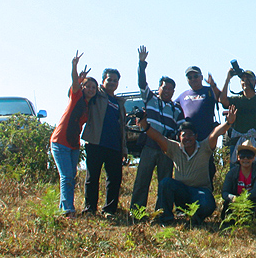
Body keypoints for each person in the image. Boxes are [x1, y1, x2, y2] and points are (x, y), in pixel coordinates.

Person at [139, 107, 237, 225]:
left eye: (190, 135)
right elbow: (158, 138)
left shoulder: (204, 147)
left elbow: (215, 133)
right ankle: (166, 219)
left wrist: (228, 123)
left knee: (207, 204)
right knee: (165, 183)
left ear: (196, 136)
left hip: (200, 192)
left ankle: (195, 218)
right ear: (179, 137)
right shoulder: (174, 148)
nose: (187, 138)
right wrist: (145, 125)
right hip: (181, 192)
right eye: (184, 135)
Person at [130, 45, 185, 215]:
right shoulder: (151, 99)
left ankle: (162, 212)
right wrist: (141, 64)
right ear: (158, 88)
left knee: (165, 181)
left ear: (173, 91)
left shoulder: (176, 108)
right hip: (149, 145)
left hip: (166, 149)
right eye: (164, 88)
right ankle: (137, 212)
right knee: (142, 180)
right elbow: (141, 83)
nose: (167, 91)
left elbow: (182, 127)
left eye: (170, 89)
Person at [50, 51, 98, 217]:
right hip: (60, 141)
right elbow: (74, 83)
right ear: (83, 87)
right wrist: (74, 66)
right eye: (88, 86)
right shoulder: (76, 96)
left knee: (71, 176)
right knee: (66, 176)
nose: (91, 89)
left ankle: (63, 207)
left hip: (74, 144)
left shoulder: (89, 106)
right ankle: (68, 210)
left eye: (94, 87)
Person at [82, 67, 127, 217]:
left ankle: (109, 210)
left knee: (114, 180)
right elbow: (78, 92)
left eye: (115, 80)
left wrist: (124, 149)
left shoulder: (119, 103)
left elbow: (122, 128)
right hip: (96, 143)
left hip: (114, 146)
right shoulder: (96, 95)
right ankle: (90, 209)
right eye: (109, 80)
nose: (112, 83)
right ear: (103, 81)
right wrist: (79, 79)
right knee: (92, 178)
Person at [220, 65, 256, 164]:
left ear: (255, 82)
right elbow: (222, 100)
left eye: (248, 79)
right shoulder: (236, 100)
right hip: (237, 143)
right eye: (243, 79)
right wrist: (228, 78)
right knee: (235, 171)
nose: (245, 81)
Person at [220, 138, 256, 221]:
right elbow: (225, 192)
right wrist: (233, 198)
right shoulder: (232, 173)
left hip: (250, 202)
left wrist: (244, 198)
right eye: (242, 156)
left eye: (249, 156)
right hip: (234, 203)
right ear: (238, 157)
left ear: (254, 158)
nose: (245, 159)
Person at [177, 66, 222, 142]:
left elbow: (222, 99)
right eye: (190, 77)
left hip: (207, 137)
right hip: (188, 139)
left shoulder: (209, 90)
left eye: (195, 76)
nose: (193, 79)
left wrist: (213, 86)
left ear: (201, 77)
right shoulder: (183, 95)